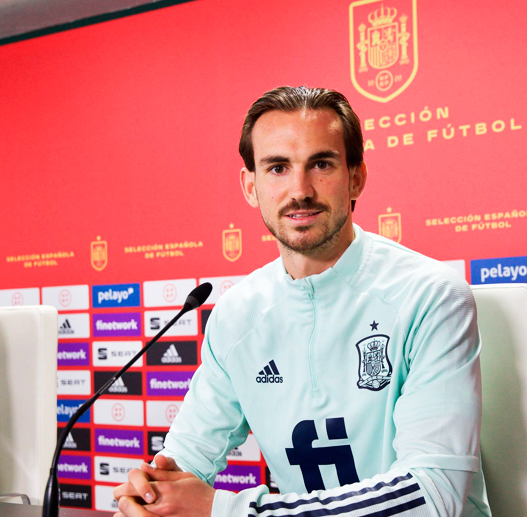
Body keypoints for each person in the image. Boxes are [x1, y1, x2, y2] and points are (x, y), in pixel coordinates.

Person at [112, 86, 491, 517]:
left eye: (322, 164)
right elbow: (186, 458)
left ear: (356, 177)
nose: (300, 189)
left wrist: (228, 512)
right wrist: (152, 493)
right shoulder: (237, 315)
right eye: (277, 168)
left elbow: (431, 497)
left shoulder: (431, 295)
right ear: (250, 186)